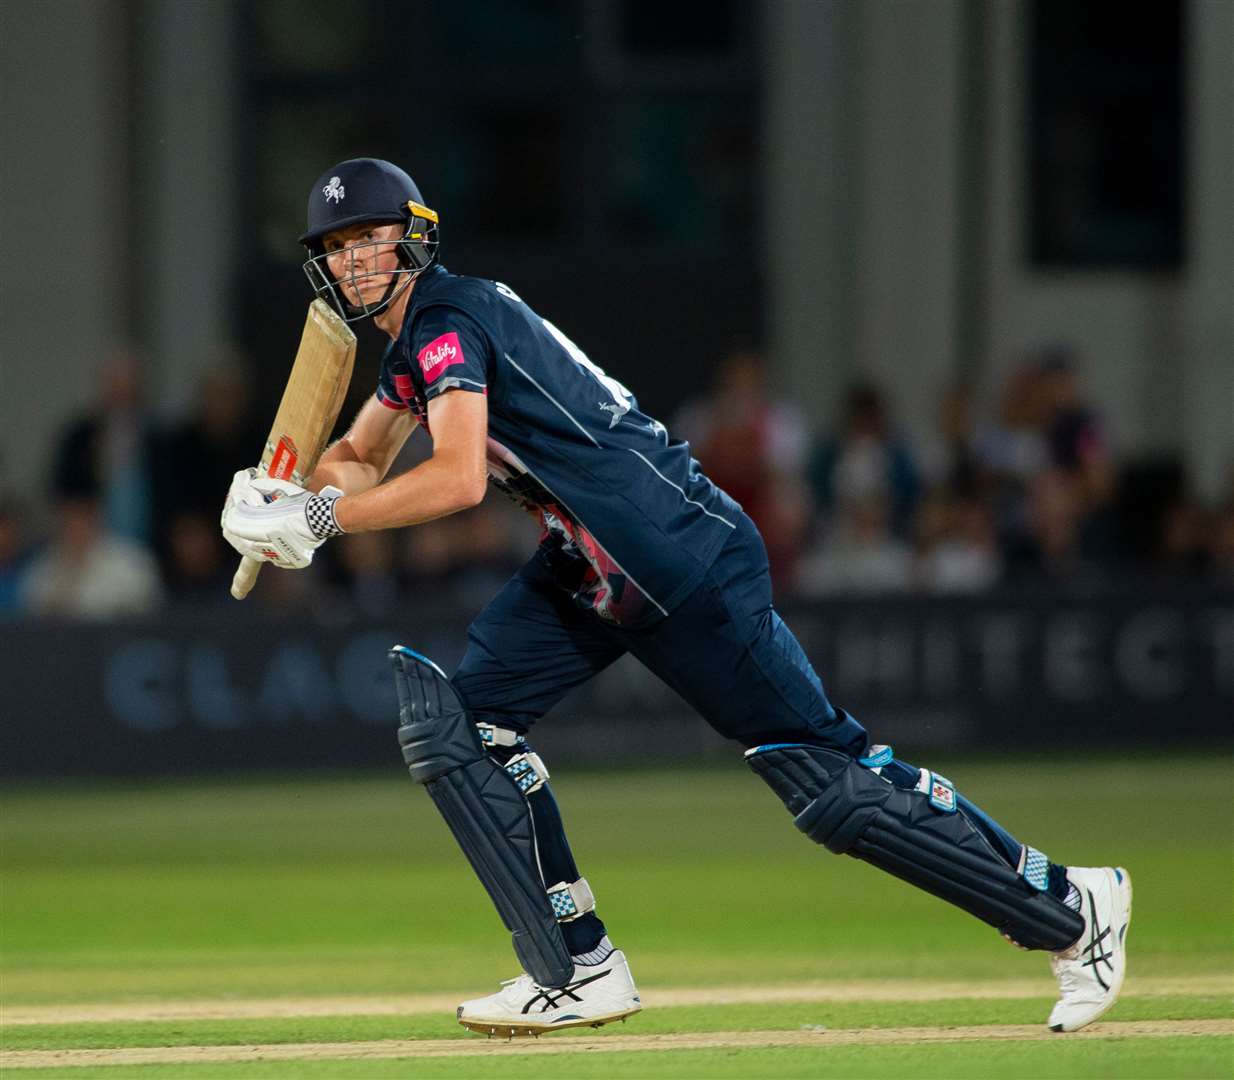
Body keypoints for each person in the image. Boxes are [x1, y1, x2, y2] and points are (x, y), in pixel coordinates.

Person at [221, 158, 1131, 1037]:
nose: (357, 261)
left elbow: (457, 478)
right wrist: (287, 497)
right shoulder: (426, 340)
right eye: (339, 247)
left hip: (678, 555)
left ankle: (1072, 906)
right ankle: (576, 966)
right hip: (592, 566)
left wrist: (324, 522)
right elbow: (363, 455)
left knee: (830, 786)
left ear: (415, 239)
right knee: (461, 727)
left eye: (373, 238)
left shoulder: (451, 318)